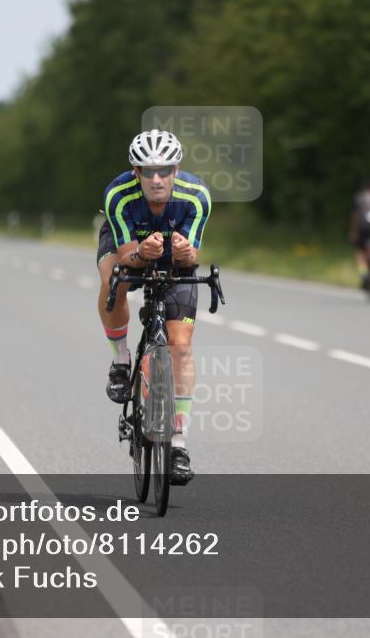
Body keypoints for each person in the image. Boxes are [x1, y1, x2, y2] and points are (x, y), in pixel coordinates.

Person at [97, 129, 211, 485]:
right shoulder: (118, 195)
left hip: (174, 259)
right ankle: (120, 360)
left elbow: (194, 255)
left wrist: (184, 253)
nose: (157, 179)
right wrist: (141, 253)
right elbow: (125, 255)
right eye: (149, 171)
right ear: (137, 172)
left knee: (180, 346)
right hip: (129, 248)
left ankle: (177, 444)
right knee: (111, 277)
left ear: (176, 170)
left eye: (164, 170)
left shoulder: (196, 197)